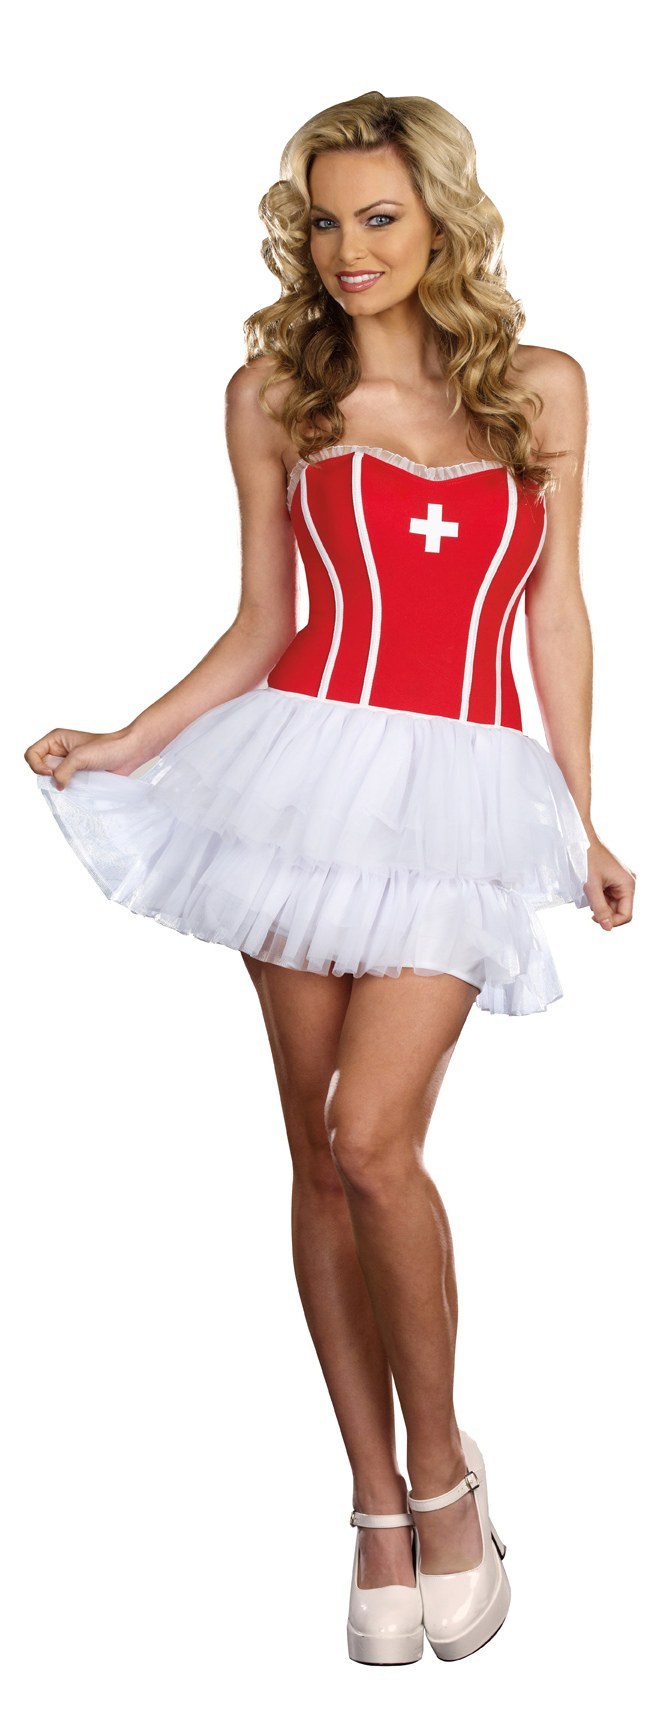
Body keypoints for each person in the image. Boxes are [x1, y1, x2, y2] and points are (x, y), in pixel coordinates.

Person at [24, 91, 635, 1666]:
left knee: (377, 1140)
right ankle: (371, 1498)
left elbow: (554, 611)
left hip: (462, 794)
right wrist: (130, 738)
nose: (348, 248)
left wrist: (583, 819)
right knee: (316, 1152)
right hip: (295, 784)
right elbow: (264, 622)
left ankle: (444, 1468)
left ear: (440, 221)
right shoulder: (275, 397)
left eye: (378, 217)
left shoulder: (543, 389)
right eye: (322, 218)